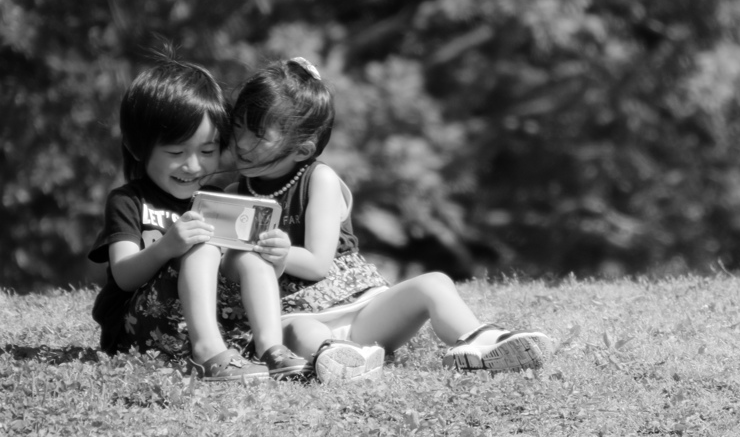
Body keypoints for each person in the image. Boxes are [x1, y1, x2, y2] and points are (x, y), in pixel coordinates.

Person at [228, 57, 553, 382]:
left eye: (258, 135)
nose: (241, 142)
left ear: (302, 150)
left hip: (362, 311)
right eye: (239, 125)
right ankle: (338, 360)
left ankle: (477, 342)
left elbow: (317, 263)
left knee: (434, 283)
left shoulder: (318, 180)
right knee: (302, 329)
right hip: (291, 314)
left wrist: (281, 253)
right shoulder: (233, 192)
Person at [88, 58, 309, 382]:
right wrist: (168, 246)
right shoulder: (129, 200)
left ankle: (270, 350)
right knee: (203, 248)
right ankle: (208, 352)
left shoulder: (218, 197)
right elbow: (122, 276)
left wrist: (274, 256)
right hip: (140, 330)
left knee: (248, 255)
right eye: (177, 153)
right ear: (138, 148)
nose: (193, 166)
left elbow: (239, 273)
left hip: (210, 323)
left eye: (207, 152)